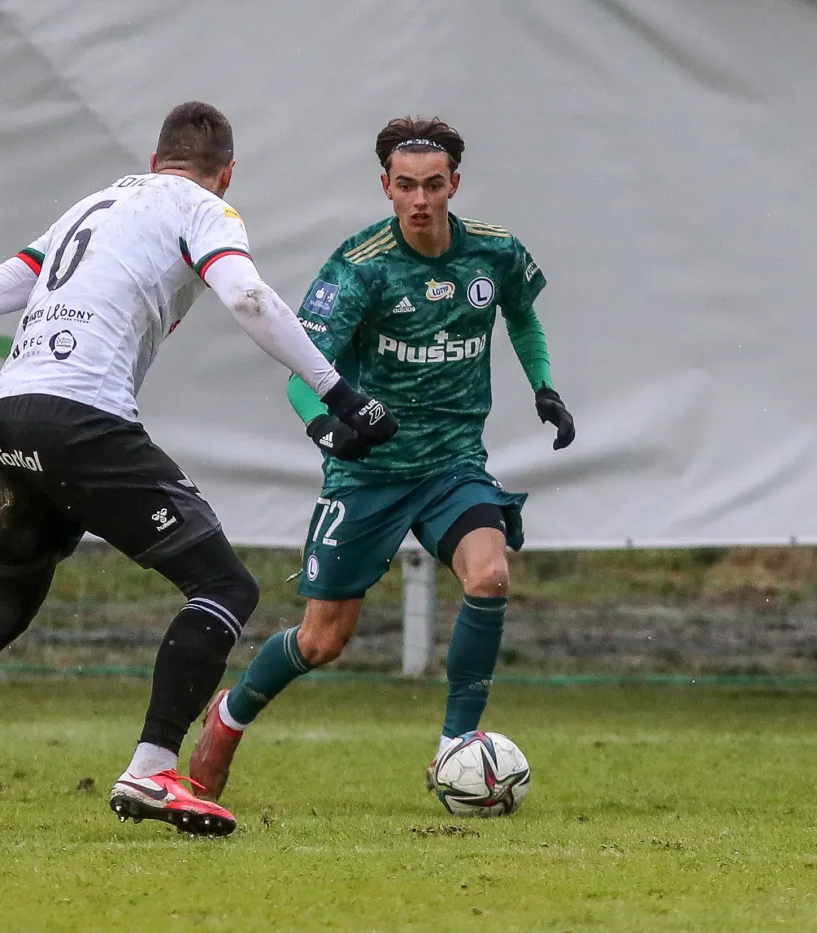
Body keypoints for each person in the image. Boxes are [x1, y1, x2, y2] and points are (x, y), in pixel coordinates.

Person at [0, 102, 397, 838]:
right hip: (82, 419)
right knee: (225, 585)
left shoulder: (91, 207)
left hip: (9, 414)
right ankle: (153, 766)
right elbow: (247, 296)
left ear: (155, 155)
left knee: (2, 607)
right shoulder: (204, 209)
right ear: (226, 173)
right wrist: (341, 393)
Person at [190, 115, 575, 801]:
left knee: (489, 575)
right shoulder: (359, 267)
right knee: (322, 640)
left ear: (455, 183)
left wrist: (543, 384)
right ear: (386, 188)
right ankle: (229, 714)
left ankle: (455, 743)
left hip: (453, 463)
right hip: (368, 472)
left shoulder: (494, 252)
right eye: (406, 186)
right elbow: (298, 372)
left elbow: (521, 313)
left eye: (433, 185)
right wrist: (328, 432)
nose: (420, 199)